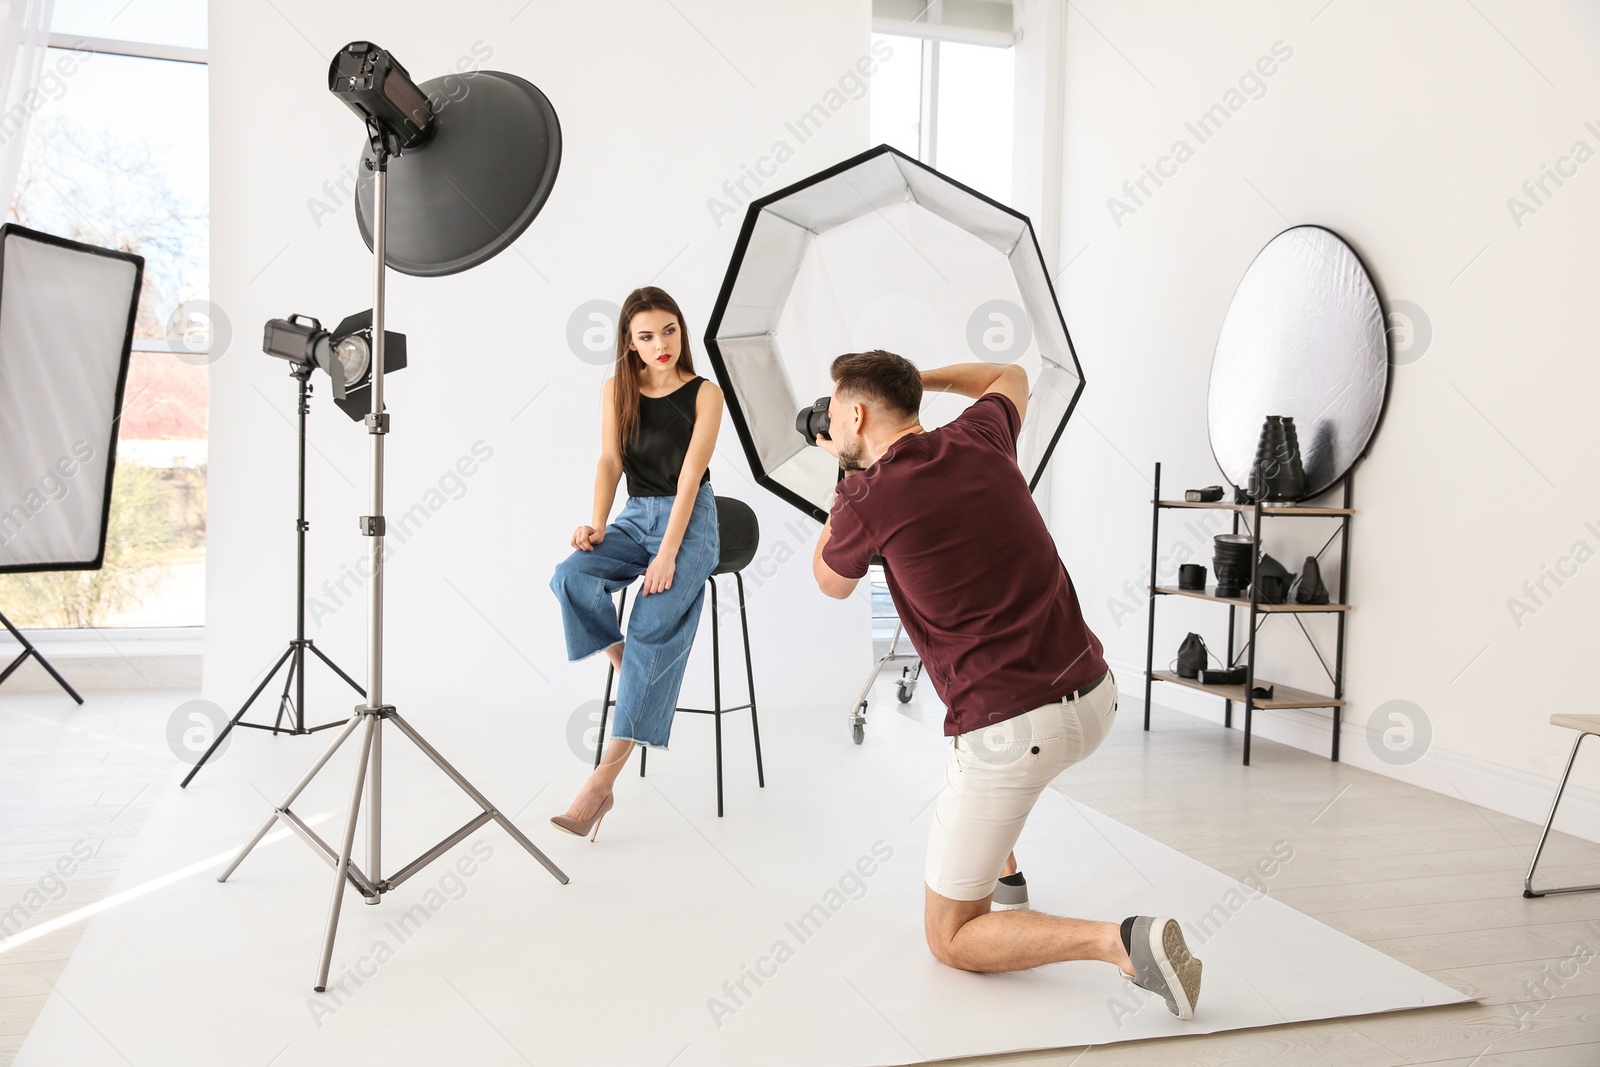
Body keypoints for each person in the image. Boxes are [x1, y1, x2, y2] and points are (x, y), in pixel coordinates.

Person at [810, 350, 1202, 1020]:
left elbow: (830, 580)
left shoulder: (866, 495)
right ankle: (1007, 872)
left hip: (1014, 732)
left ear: (853, 413)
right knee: (974, 750)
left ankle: (1124, 943)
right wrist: (920, 379)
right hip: (1094, 692)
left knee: (949, 935)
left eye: (837, 410)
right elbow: (1008, 376)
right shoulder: (981, 434)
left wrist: (844, 475)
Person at [548, 286, 723, 841]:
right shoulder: (617, 390)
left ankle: (599, 785)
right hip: (634, 516)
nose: (661, 344)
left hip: (690, 524)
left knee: (650, 622)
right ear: (629, 342)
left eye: (669, 330)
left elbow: (691, 477)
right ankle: (632, 666)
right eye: (646, 336)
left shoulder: (705, 394)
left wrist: (668, 552)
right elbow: (609, 461)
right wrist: (597, 523)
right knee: (571, 576)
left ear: (680, 330)